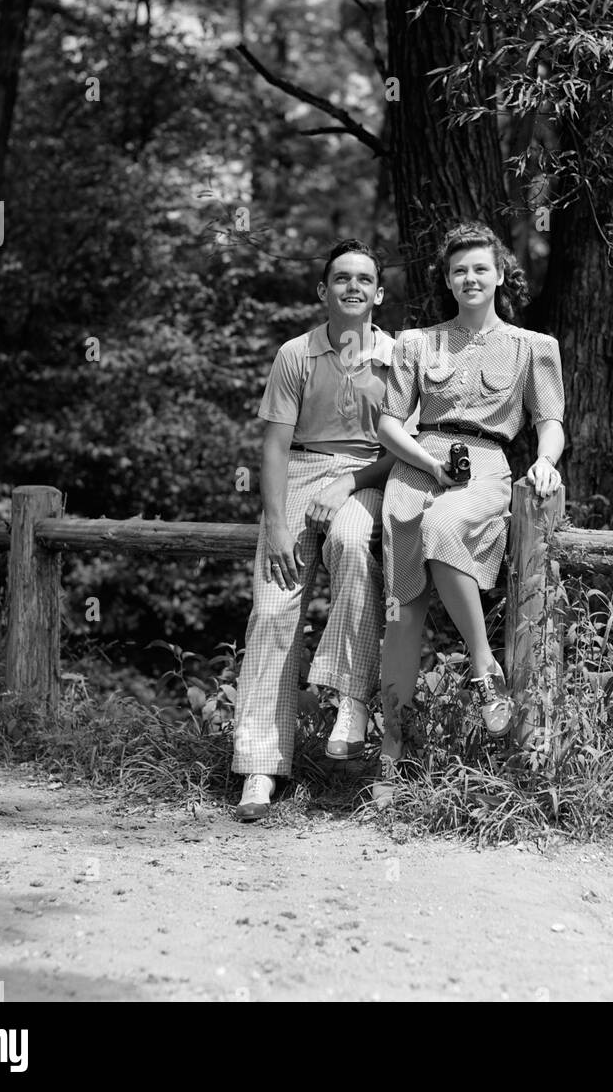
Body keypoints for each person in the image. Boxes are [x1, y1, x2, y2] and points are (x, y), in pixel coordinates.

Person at [373, 222, 565, 804]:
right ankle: (389, 755)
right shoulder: (416, 344)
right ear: (448, 281)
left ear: (500, 273)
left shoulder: (535, 347)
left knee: (445, 524)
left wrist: (547, 462)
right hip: (416, 463)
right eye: (459, 271)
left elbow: (549, 421)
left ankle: (485, 670)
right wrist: (427, 466)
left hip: (485, 465)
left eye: (481, 267)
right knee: (402, 615)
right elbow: (386, 422)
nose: (470, 278)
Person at [232, 240, 397, 821]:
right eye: (341, 278)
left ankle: (349, 698)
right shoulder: (295, 355)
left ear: (379, 293)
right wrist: (277, 523)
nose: (353, 287)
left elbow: (403, 445)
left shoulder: (396, 358)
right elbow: (274, 446)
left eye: (365, 279)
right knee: (273, 610)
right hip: (300, 470)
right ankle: (259, 765)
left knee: (353, 542)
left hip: (370, 473)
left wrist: (348, 484)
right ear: (322, 291)